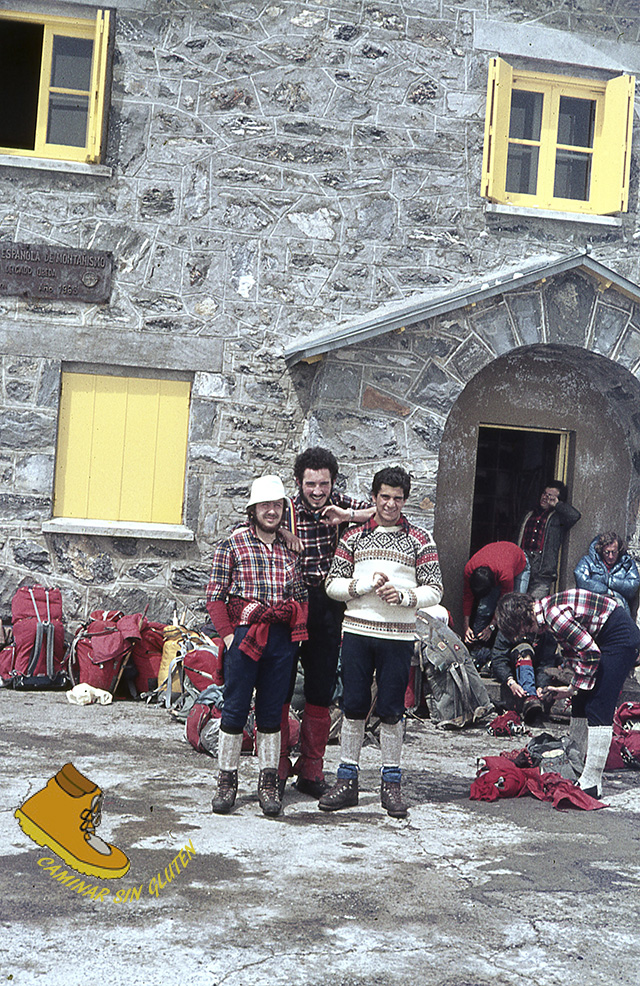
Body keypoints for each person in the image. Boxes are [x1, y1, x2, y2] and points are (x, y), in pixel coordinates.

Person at [319, 466, 443, 817]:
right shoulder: (353, 537)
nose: (390, 504)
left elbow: (435, 589)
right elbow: (333, 584)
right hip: (358, 632)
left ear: (405, 500)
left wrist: (402, 596)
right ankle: (347, 781)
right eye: (384, 497)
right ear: (373, 497)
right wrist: (363, 587)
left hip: (398, 637)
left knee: (392, 708)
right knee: (354, 704)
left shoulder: (421, 539)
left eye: (398, 499)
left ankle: (391, 784)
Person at [206, 475, 308, 817]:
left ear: (283, 510)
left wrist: (294, 636)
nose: (271, 511)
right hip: (245, 637)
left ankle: (267, 782)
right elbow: (215, 596)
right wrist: (228, 636)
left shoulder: (288, 550)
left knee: (270, 712)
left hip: (280, 640)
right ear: (253, 509)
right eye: (264, 505)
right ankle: (227, 780)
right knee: (234, 709)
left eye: (277, 506)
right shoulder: (232, 545)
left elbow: (300, 596)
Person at [279, 447, 374, 798]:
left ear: (333, 482)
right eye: (310, 484)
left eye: (324, 484)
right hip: (289, 605)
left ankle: (311, 770)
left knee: (320, 688)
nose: (317, 491)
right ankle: (275, 769)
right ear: (299, 482)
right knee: (281, 687)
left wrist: (347, 514)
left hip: (327, 605)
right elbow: (254, 522)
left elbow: (381, 512)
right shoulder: (284, 508)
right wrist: (282, 534)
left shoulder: (340, 503)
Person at [495, 589, 640, 798]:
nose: (524, 636)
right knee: (580, 702)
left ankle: (592, 782)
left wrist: (572, 687)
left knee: (598, 705)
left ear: (521, 620)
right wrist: (570, 690)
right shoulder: (547, 615)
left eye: (520, 631)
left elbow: (590, 653)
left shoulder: (554, 615)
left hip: (619, 638)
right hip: (605, 638)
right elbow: (575, 652)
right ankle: (578, 766)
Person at [462, 541, 529, 667]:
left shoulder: (505, 575)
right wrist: (466, 626)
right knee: (484, 608)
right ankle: (476, 653)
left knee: (513, 611)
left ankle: (501, 658)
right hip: (497, 561)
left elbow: (503, 605)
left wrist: (491, 627)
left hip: (519, 563)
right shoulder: (469, 570)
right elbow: (467, 596)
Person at [517, 481, 580, 598]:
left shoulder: (558, 518)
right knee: (516, 601)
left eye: (551, 496)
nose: (546, 498)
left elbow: (574, 516)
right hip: (522, 564)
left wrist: (557, 505)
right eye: (545, 494)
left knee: (535, 607)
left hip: (542, 570)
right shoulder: (529, 514)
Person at [490, 627, 558, 725]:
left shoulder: (547, 635)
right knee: (524, 649)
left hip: (534, 669)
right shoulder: (510, 627)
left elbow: (546, 664)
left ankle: (532, 698)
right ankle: (530, 696)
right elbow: (498, 659)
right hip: (513, 667)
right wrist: (510, 681)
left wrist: (541, 686)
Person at [574, 532, 640, 615]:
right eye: (607, 552)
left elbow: (633, 586)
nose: (611, 556)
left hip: (618, 608)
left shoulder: (627, 563)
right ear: (601, 550)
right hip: (592, 607)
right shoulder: (588, 561)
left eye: (614, 552)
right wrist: (607, 591)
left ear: (619, 550)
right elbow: (582, 581)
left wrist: (609, 581)